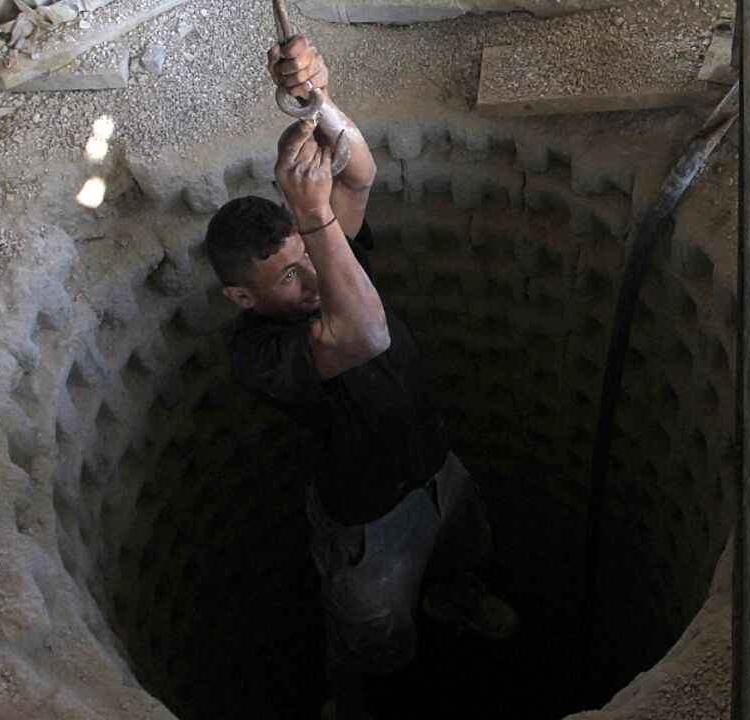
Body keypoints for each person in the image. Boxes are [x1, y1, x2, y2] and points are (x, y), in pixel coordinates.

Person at [205, 36, 517, 720]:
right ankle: (349, 705)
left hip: (436, 469)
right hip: (369, 521)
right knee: (369, 637)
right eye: (288, 276)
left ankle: (452, 597)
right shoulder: (258, 352)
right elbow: (363, 336)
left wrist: (320, 103)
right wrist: (314, 219)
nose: (314, 277)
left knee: (469, 544)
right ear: (243, 297)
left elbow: (361, 176)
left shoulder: (322, 260)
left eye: (305, 256)